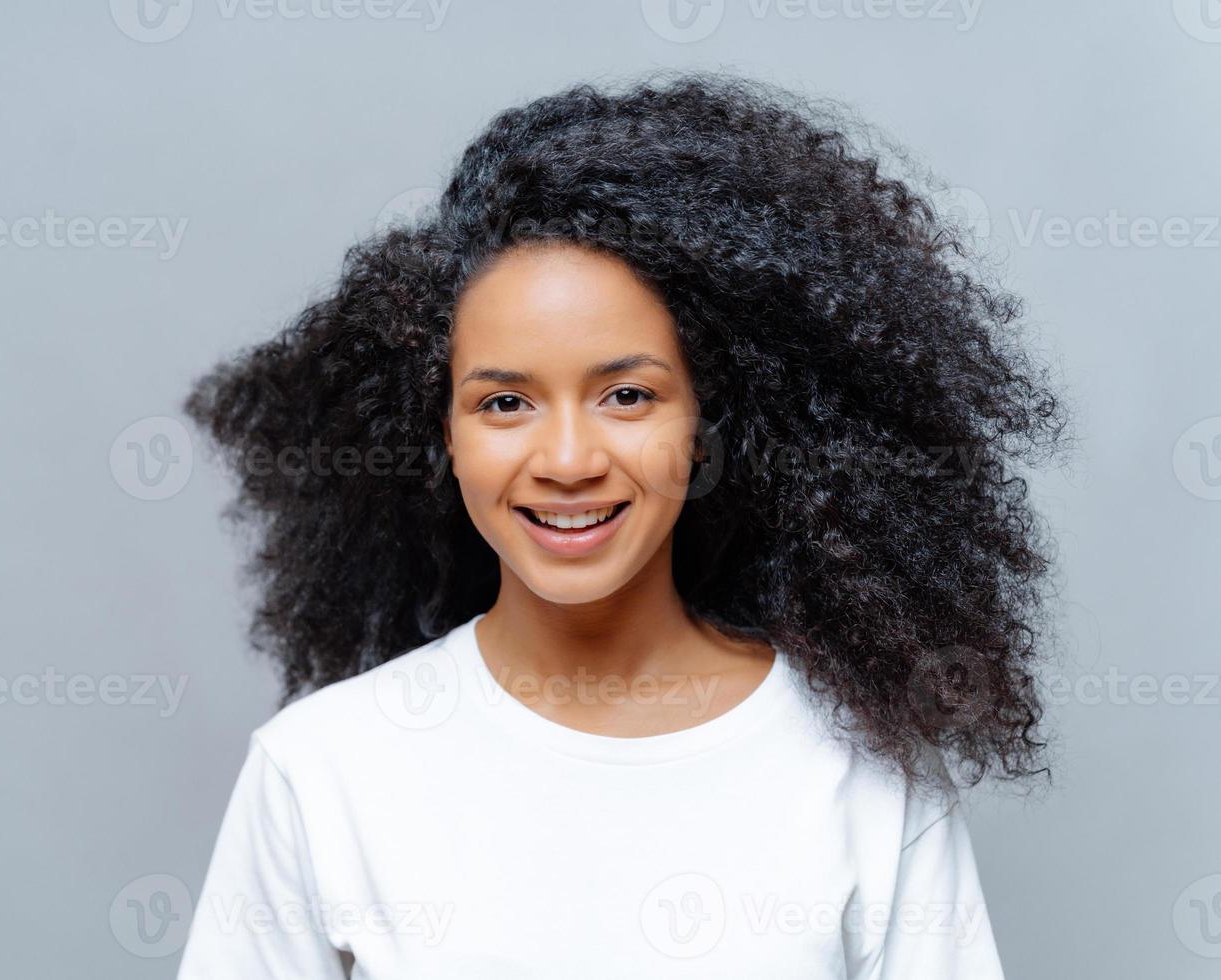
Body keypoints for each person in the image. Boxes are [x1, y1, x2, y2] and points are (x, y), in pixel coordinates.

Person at [174, 69, 1071, 978]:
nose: (567, 460)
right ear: (441, 431)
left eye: (627, 395)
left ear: (708, 425)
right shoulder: (324, 773)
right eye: (505, 403)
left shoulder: (867, 779)